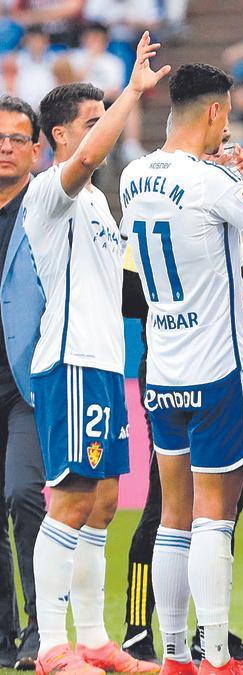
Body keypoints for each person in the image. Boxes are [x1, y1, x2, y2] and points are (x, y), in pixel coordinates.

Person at [120, 62, 243, 675]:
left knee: (172, 517)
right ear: (215, 112)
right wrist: (239, 181)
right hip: (217, 366)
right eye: (227, 113)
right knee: (216, 513)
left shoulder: (134, 175)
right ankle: (215, 656)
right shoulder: (213, 182)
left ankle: (175, 656)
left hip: (162, 368)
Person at [24, 34, 168, 675]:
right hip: (72, 361)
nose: (100, 129)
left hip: (107, 365)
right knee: (73, 500)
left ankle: (94, 640)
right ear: (58, 135)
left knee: (105, 502)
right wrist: (132, 92)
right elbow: (90, 153)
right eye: (90, 119)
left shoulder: (97, 206)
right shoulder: (49, 192)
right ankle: (52, 646)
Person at [0, 94, 45, 670]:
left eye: (17, 139)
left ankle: (42, 628)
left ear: (36, 149)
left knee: (24, 495)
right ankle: (2, 636)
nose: (5, 148)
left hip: (29, 380)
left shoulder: (52, 206)